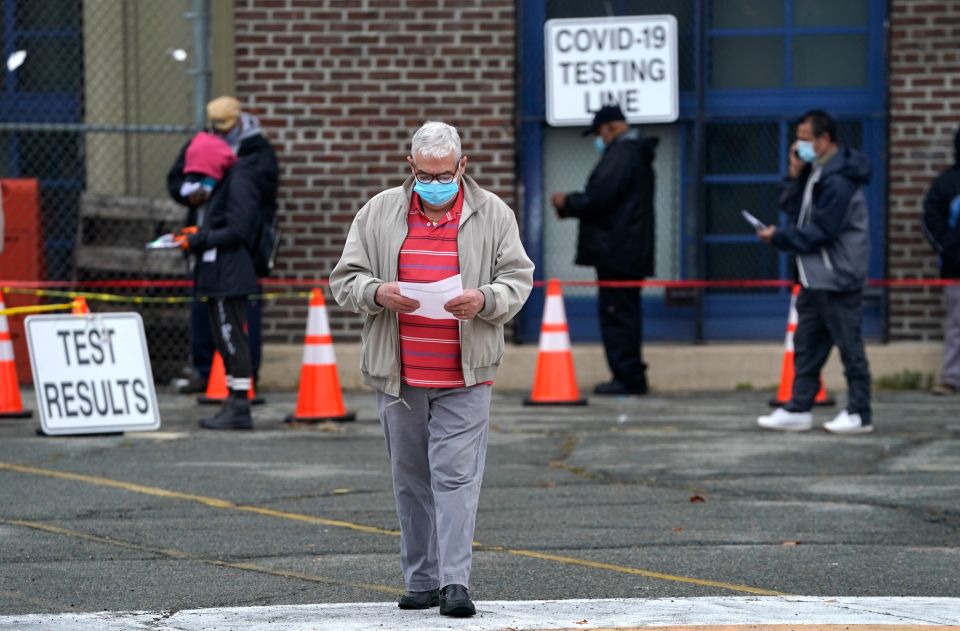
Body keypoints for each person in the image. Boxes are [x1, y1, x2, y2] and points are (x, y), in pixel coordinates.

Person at [329, 121, 533, 617]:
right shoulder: (378, 212)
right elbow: (345, 280)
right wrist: (378, 292)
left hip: (465, 373)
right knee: (411, 479)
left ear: (463, 166)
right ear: (411, 167)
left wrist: (485, 299)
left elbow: (518, 279)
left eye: (445, 173)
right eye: (426, 173)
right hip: (399, 376)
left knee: (456, 477)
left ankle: (454, 583)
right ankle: (420, 579)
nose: (436, 182)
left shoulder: (494, 214)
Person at [755, 110, 873, 434]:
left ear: (824, 139)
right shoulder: (817, 171)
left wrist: (779, 238)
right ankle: (798, 406)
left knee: (849, 345)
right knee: (806, 343)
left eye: (805, 139)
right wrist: (794, 174)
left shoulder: (839, 179)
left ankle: (859, 412)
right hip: (814, 275)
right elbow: (794, 211)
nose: (799, 145)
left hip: (838, 275)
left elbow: (823, 229)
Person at [167, 96, 279, 394]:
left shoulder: (254, 154)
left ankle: (243, 383)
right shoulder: (201, 146)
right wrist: (189, 195)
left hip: (235, 249)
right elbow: (177, 178)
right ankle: (208, 372)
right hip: (207, 243)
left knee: (239, 317)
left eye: (225, 127)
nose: (220, 132)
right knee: (209, 311)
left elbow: (249, 213)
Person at [549, 104, 657, 396]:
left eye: (600, 133)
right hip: (627, 248)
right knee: (624, 313)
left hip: (617, 250)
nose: (600, 140)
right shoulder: (634, 154)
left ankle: (627, 377)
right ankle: (631, 374)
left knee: (617, 314)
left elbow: (599, 198)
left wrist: (566, 202)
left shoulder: (622, 155)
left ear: (611, 129)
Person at [175, 131, 261, 430]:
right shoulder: (228, 178)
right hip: (218, 273)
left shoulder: (239, 179)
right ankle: (233, 398)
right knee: (224, 339)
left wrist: (199, 239)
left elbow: (239, 229)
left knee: (230, 336)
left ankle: (240, 404)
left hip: (229, 274)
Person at [922, 127, 960, 396]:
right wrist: (951, 250)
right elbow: (931, 221)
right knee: (957, 325)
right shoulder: (946, 183)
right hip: (956, 268)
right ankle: (952, 377)